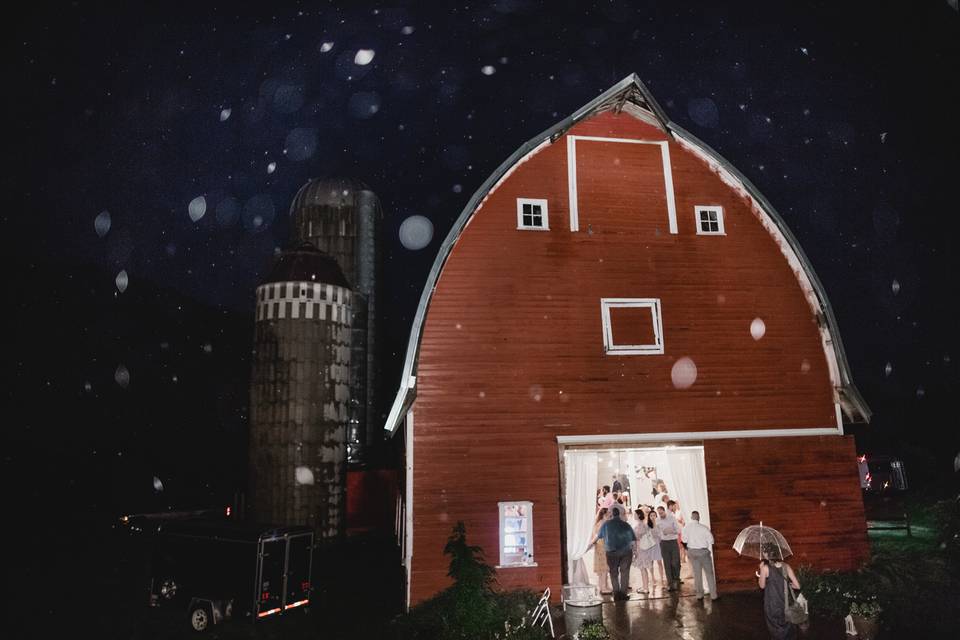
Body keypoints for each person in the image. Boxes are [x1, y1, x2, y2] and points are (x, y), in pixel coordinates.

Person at [586, 504, 636, 601]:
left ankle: (616, 594)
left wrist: (587, 547)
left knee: (613, 573)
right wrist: (635, 551)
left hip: (611, 552)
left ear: (612, 514)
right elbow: (633, 540)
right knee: (625, 573)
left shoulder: (606, 525)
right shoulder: (626, 524)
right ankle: (623, 594)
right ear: (619, 514)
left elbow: (597, 537)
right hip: (626, 552)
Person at [757, 545, 802, 640]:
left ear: (767, 555)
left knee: (775, 629)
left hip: (772, 604)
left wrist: (761, 571)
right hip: (786, 603)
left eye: (764, 552)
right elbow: (797, 586)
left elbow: (762, 586)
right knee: (788, 626)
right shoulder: (786, 566)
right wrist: (788, 584)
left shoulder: (765, 568)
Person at [681, 510, 718, 601]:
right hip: (703, 552)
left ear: (691, 517)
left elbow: (684, 540)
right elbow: (711, 541)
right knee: (709, 573)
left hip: (692, 552)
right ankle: (713, 595)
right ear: (699, 517)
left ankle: (699, 595)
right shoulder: (704, 528)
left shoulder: (686, 528)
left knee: (697, 574)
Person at [631, 507, 660, 594]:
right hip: (643, 549)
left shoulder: (641, 525)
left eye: (635, 514)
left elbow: (638, 536)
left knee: (643, 568)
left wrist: (632, 536)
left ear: (639, 515)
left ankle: (646, 588)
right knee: (643, 569)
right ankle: (645, 587)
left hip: (642, 549)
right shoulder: (643, 524)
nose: (634, 516)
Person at [657, 505, 681, 591]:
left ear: (664, 511)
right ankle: (670, 584)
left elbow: (679, 530)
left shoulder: (672, 518)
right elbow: (657, 534)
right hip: (663, 543)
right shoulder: (657, 521)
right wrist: (663, 533)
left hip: (673, 542)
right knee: (667, 563)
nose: (660, 515)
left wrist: (672, 531)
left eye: (662, 513)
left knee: (675, 562)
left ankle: (676, 578)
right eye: (659, 513)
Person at [591, 508, 611, 593]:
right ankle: (604, 587)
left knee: (602, 568)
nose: (610, 515)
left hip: (599, 545)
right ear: (604, 514)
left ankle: (603, 586)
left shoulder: (598, 523)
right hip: (603, 545)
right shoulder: (604, 523)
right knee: (604, 568)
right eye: (608, 513)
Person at [670, 500, 687, 564]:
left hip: (682, 531)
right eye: (674, 505)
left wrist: (679, 521)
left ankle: (683, 558)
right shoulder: (673, 513)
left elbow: (684, 522)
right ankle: (680, 558)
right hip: (676, 532)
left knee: (683, 546)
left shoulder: (681, 512)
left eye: (677, 504)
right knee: (679, 546)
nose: (675, 506)